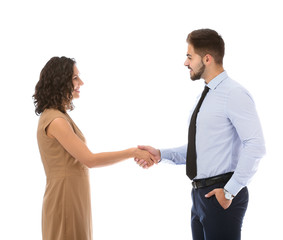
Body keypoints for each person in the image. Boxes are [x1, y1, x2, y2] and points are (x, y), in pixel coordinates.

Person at [135, 29, 266, 240]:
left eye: (189, 56)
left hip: (222, 192)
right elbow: (200, 150)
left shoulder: (234, 93)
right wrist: (160, 154)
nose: (185, 63)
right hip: (200, 195)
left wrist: (229, 191)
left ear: (207, 58)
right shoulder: (205, 96)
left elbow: (256, 146)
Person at [33, 56, 154, 240]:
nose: (81, 82)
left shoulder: (59, 116)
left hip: (72, 194)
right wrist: (132, 152)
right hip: (65, 197)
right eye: (75, 78)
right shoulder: (56, 120)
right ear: (60, 81)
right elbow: (90, 160)